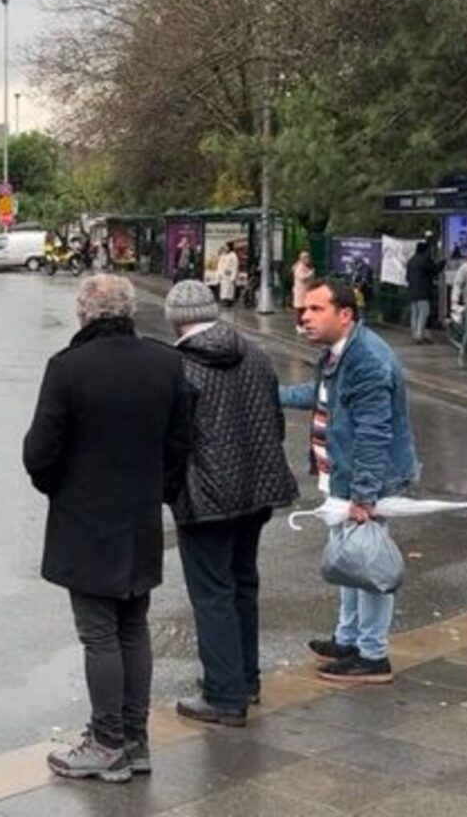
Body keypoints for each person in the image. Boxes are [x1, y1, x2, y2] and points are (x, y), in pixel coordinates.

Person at [23, 274, 191, 782]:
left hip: (86, 518)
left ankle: (106, 741)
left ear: (83, 313)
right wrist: (155, 490)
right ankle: (135, 740)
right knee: (132, 627)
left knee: (98, 634)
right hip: (139, 515)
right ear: (129, 311)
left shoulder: (68, 368)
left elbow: (39, 452)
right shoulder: (167, 362)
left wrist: (60, 487)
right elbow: (180, 442)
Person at [163, 281, 298, 726]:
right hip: (257, 491)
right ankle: (245, 678)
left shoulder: (179, 366)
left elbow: (175, 440)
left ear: (177, 319)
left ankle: (224, 695)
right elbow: (274, 421)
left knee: (212, 593)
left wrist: (170, 489)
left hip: (206, 496)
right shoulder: (256, 353)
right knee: (243, 584)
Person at [281, 278, 419, 685]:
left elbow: (374, 432)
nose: (304, 316)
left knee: (369, 565)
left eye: (315, 309)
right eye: (303, 309)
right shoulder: (338, 353)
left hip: (364, 485)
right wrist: (271, 393)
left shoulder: (367, 360)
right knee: (350, 562)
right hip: (340, 479)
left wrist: (364, 495)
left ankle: (372, 654)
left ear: (345, 315)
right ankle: (348, 639)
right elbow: (321, 395)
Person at [405, 240, 445, 343]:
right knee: (423, 313)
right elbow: (435, 269)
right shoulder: (425, 260)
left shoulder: (411, 261)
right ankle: (419, 335)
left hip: (412, 292)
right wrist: (443, 262)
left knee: (415, 314)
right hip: (423, 292)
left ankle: (414, 334)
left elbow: (407, 277)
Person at [290, 250, 315, 333]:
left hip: (305, 291)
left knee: (303, 308)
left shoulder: (305, 266)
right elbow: (301, 277)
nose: (308, 259)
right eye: (306, 257)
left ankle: (303, 325)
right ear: (302, 258)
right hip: (300, 291)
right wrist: (310, 274)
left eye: (308, 257)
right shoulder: (300, 267)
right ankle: (299, 325)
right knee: (299, 309)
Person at [350, 256, 375, 322]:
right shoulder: (356, 269)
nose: (355, 265)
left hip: (364, 292)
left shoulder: (366, 269)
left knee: (362, 308)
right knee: (359, 307)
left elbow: (364, 281)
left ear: (360, 263)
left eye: (356, 263)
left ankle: (363, 322)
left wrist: (358, 287)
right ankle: (361, 321)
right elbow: (353, 279)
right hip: (357, 291)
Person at [217, 242, 239, 308]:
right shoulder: (223, 255)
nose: (225, 248)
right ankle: (224, 301)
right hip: (223, 276)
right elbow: (219, 265)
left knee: (229, 290)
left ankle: (229, 302)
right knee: (223, 290)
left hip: (229, 276)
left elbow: (235, 267)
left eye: (227, 247)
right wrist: (219, 274)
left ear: (230, 247)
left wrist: (233, 277)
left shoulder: (233, 256)